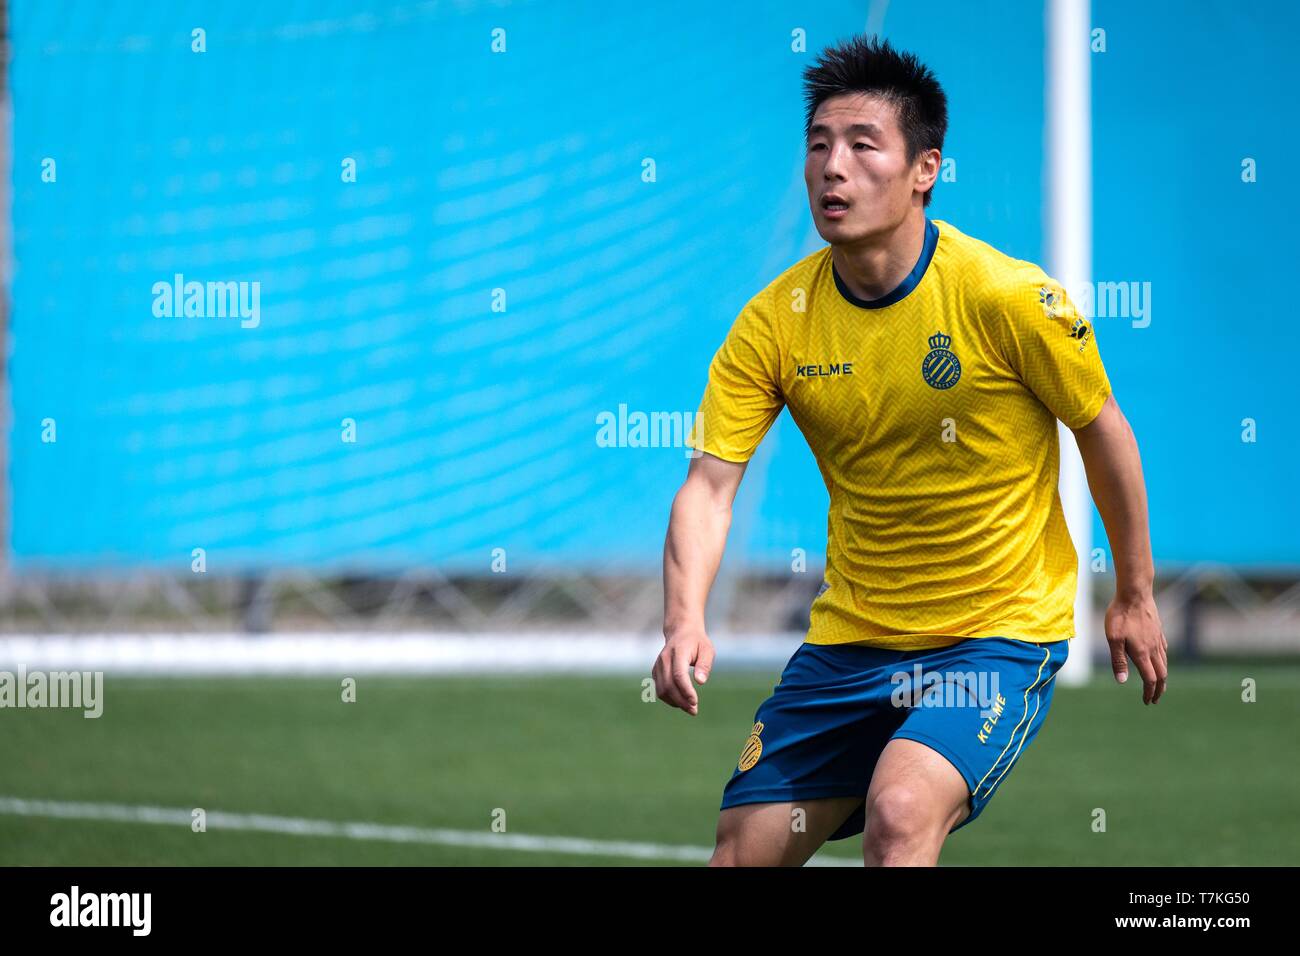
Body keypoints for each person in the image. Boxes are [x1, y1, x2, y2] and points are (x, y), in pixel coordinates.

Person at [652, 34, 1167, 867]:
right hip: (850, 639)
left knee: (899, 813)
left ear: (925, 168)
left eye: (863, 146)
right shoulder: (773, 323)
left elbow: (1102, 430)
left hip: (992, 636)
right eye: (819, 145)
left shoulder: (1007, 298)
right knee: (742, 853)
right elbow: (710, 488)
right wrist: (683, 621)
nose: (832, 168)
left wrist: (1134, 593)